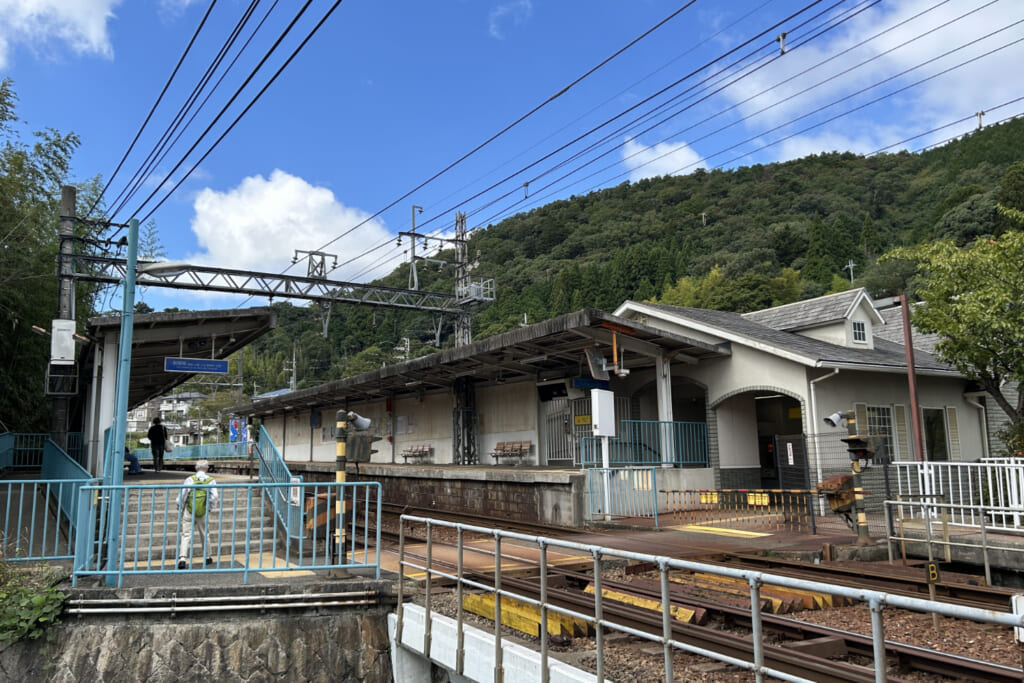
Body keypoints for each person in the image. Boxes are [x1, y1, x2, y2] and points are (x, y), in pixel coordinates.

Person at [176, 459, 219, 569]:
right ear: (207, 469)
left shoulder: (190, 479)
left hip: (189, 510)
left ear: (195, 468)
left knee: (186, 534)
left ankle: (182, 558)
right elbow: (214, 497)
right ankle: (207, 557)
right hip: (203, 510)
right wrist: (210, 508)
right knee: (205, 534)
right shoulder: (210, 480)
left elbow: (183, 494)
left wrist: (180, 506)